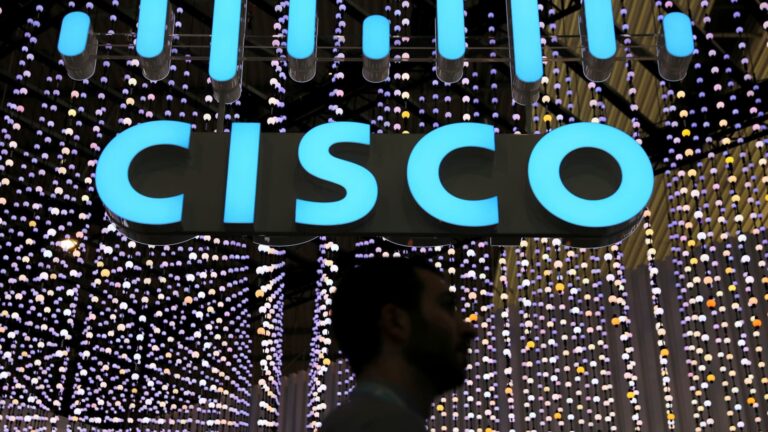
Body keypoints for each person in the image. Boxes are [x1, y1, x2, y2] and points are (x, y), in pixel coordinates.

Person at [319, 256, 478, 432]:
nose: (469, 329)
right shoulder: (390, 424)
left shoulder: (345, 421)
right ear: (395, 321)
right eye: (446, 306)